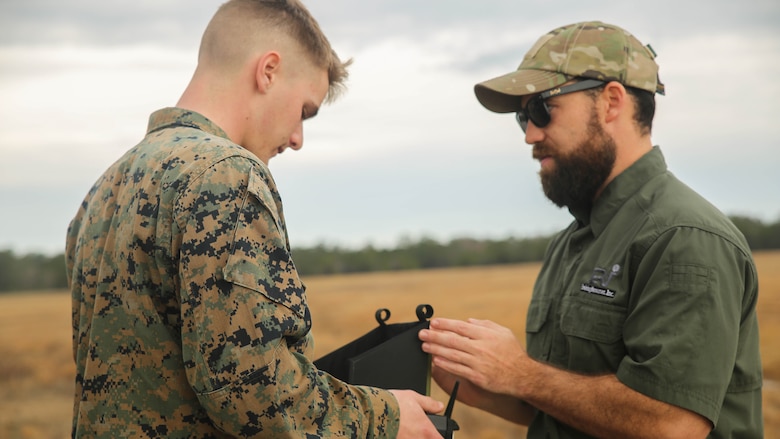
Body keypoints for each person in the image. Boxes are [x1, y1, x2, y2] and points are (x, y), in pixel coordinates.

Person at [66, 1, 444, 437]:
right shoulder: (225, 172)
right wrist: (387, 417)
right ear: (268, 71)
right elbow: (254, 393)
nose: (299, 139)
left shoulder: (105, 187)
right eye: (305, 110)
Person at [418, 21, 763, 438]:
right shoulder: (575, 240)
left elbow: (672, 425)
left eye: (542, 109)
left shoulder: (684, 237)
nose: (529, 134)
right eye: (521, 118)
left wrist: (522, 374)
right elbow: (575, 409)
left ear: (611, 102)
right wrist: (487, 386)